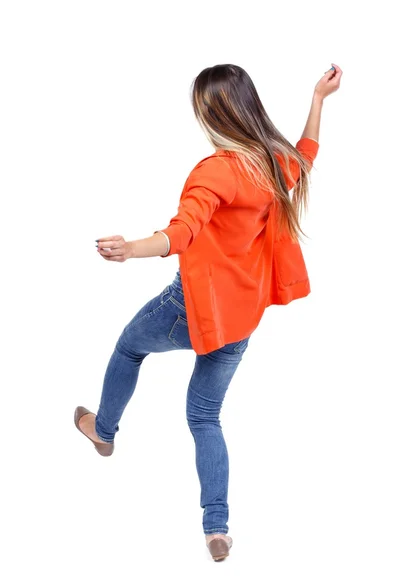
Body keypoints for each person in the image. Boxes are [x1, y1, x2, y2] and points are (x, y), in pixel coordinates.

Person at [74, 63, 342, 562]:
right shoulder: (272, 161)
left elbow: (183, 231)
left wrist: (131, 248)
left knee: (130, 347)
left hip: (191, 309)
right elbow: (305, 158)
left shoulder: (216, 170)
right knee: (204, 416)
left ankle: (103, 431)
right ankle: (216, 527)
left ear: (210, 111)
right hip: (242, 316)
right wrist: (318, 99)